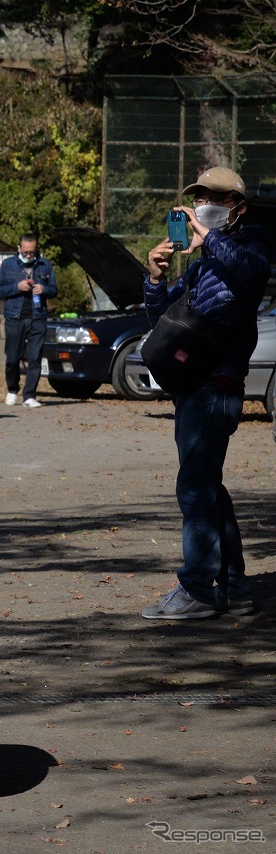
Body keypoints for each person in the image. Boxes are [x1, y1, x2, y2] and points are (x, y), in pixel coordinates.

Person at [139, 166, 269, 620]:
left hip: (217, 385)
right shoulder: (203, 264)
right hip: (192, 385)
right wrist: (154, 278)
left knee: (195, 488)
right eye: (198, 198)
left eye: (216, 198)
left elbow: (253, 273)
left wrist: (207, 237)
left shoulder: (250, 244)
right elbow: (164, 320)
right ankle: (234, 588)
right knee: (208, 487)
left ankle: (197, 587)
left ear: (238, 207)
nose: (204, 205)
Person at [0, 234, 57, 408]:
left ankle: (29, 395)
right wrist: (17, 287)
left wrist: (44, 289)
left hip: (38, 316)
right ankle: (12, 389)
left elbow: (54, 290)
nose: (29, 255)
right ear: (19, 248)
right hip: (15, 317)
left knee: (35, 357)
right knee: (13, 358)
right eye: (26, 251)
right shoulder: (8, 265)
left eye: (32, 251)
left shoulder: (46, 264)